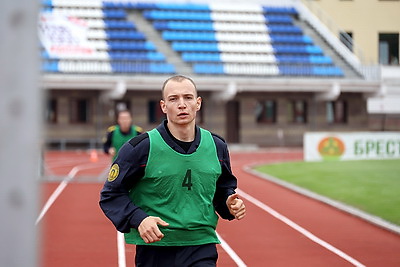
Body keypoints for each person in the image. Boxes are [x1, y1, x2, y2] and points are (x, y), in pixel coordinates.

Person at [99, 75, 246, 267]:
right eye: (173, 99)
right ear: (163, 106)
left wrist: (228, 202)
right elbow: (111, 194)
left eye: (188, 97)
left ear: (198, 103)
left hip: (201, 245)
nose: (182, 104)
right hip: (156, 249)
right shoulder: (140, 148)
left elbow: (222, 189)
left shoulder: (217, 146)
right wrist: (139, 219)